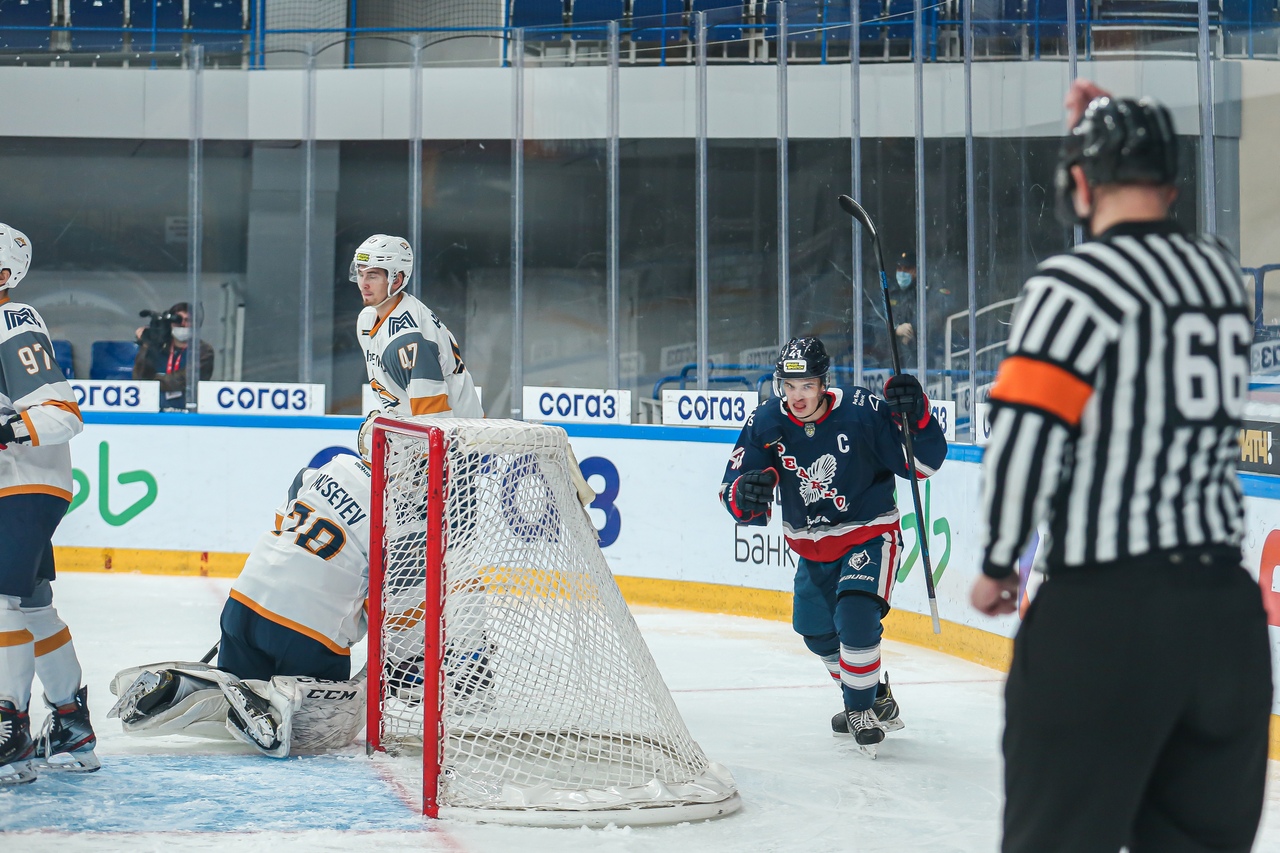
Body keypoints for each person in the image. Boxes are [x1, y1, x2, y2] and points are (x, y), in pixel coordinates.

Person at [971, 80, 1271, 852]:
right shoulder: (1221, 279)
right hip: (1225, 623)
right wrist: (1123, 125)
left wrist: (1000, 561)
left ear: (1080, 182)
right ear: (1172, 183)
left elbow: (1025, 436)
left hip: (1106, 619)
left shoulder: (1070, 288)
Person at [719, 337, 946, 757]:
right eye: (789, 386)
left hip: (869, 533)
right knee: (815, 632)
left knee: (855, 613)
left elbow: (922, 465)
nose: (797, 396)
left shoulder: (862, 411)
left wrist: (917, 415)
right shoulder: (766, 421)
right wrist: (744, 495)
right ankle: (875, 696)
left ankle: (858, 710)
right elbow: (732, 487)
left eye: (806, 385)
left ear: (824, 383)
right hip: (812, 549)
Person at [108, 416, 381, 758]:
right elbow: (389, 603)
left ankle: (185, 689)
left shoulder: (331, 467)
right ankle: (282, 701)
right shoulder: (399, 514)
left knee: (234, 692)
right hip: (309, 631)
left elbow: (288, 518)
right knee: (323, 723)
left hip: (245, 603)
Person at [0, 224, 100, 786]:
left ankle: (8, 732)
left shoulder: (12, 320)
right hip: (20, 485)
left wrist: (7, 428)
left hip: (22, 483)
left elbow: (61, 413)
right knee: (34, 606)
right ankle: (70, 727)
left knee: (0, 604)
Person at [353, 234, 482, 418]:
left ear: (396, 280)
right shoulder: (367, 320)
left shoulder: (407, 340)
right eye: (360, 274)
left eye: (372, 276)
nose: (363, 284)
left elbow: (434, 419)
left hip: (457, 431)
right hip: (421, 426)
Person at [132, 301, 214, 411]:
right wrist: (147, 345)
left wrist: (152, 382)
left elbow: (185, 379)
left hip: (188, 411)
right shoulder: (160, 348)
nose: (183, 324)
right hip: (157, 410)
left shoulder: (203, 350)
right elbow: (139, 378)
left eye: (187, 320)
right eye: (178, 320)